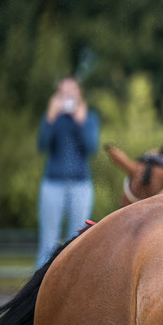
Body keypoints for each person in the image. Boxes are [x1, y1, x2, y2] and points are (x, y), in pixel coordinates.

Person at [36, 76, 100, 268]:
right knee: (48, 239)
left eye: (71, 92)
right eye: (63, 93)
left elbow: (91, 148)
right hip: (52, 184)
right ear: (57, 95)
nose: (68, 97)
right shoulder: (52, 118)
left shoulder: (89, 118)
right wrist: (49, 118)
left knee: (77, 240)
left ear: (79, 93)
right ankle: (38, 291)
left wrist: (81, 123)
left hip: (81, 184)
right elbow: (42, 145)